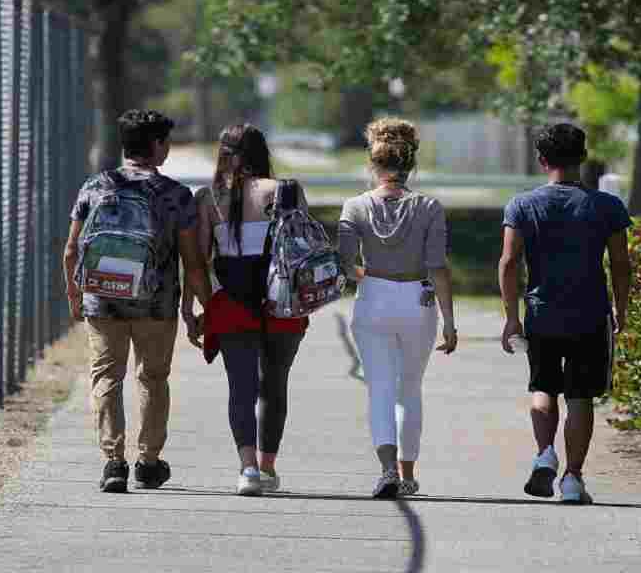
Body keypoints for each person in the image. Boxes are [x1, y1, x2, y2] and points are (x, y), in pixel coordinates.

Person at [63, 109, 214, 494]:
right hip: (156, 304)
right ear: (158, 146)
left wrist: (75, 295)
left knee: (106, 377)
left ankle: (113, 463)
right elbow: (192, 262)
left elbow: (71, 250)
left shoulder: (96, 187)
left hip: (103, 299)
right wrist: (203, 308)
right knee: (152, 377)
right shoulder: (175, 196)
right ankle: (147, 462)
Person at [498, 122, 633, 505]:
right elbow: (621, 265)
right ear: (584, 158)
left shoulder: (523, 205)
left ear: (542, 161)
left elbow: (509, 262)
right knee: (579, 397)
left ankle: (545, 453)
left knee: (543, 388)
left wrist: (512, 316)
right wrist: (620, 308)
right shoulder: (607, 206)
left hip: (541, 313)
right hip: (590, 314)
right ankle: (572, 479)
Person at [183, 123, 310, 496]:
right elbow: (303, 249)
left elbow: (198, 262)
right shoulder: (286, 191)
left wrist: (198, 308)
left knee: (241, 387)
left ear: (223, 154)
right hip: (282, 302)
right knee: (275, 386)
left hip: (234, 302)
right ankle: (269, 468)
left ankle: (248, 470)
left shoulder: (210, 198)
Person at [338, 118, 457, 499]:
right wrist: (449, 322)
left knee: (380, 389)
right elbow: (438, 266)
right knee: (410, 388)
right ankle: (407, 473)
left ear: (373, 165)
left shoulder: (354, 206)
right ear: (411, 165)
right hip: (417, 300)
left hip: (373, 295)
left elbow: (344, 262)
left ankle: (387, 468)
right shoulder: (430, 207)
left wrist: (367, 277)